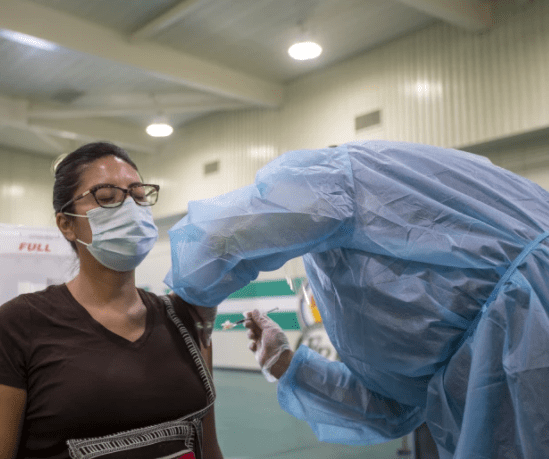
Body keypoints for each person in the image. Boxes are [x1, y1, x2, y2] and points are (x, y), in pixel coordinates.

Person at [164, 140, 549, 459]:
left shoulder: (336, 175)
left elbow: (215, 241)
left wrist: (186, 302)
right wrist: (286, 363)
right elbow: (400, 407)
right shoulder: (435, 223)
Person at [0, 142, 223, 459]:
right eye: (106, 197)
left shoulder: (183, 317)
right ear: (67, 224)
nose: (130, 208)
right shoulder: (20, 324)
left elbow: (207, 445)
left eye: (139, 196)